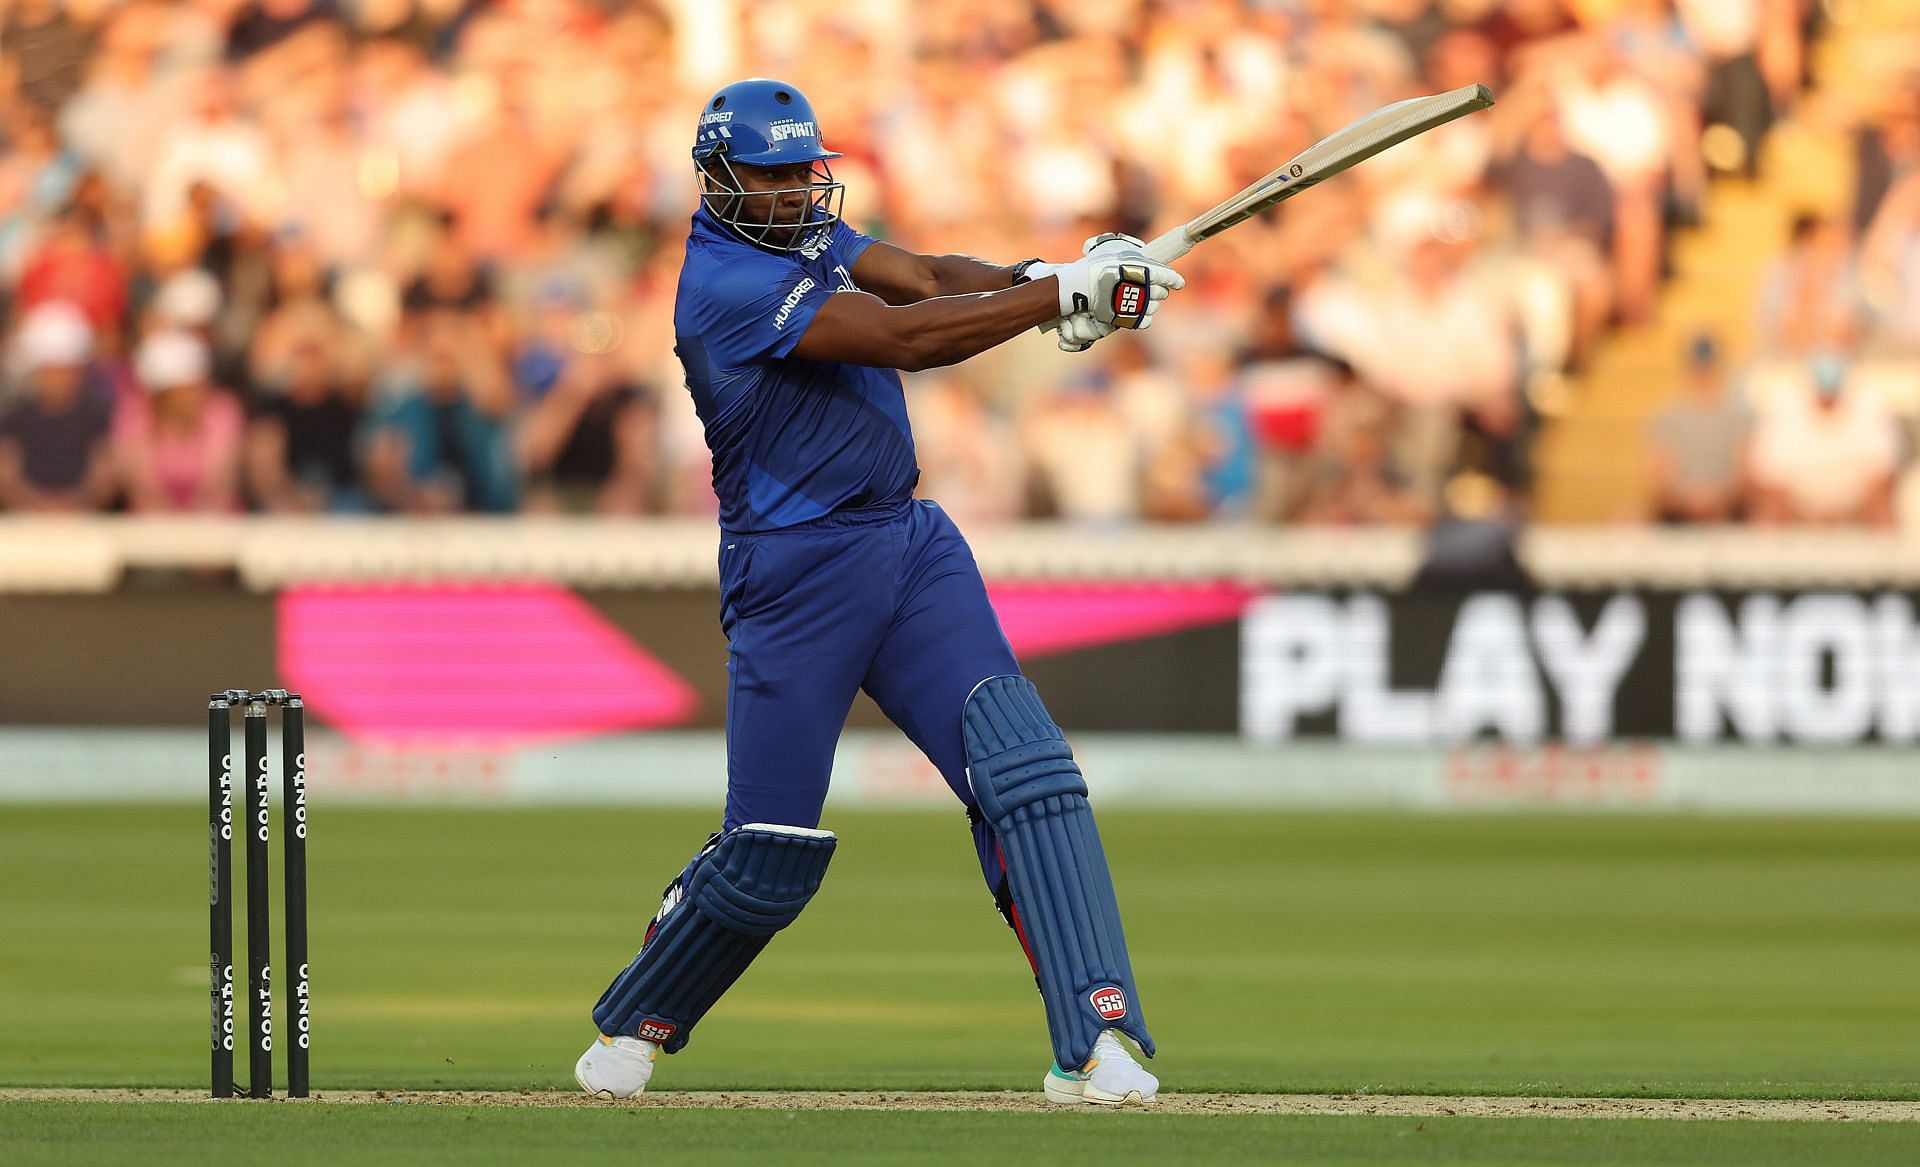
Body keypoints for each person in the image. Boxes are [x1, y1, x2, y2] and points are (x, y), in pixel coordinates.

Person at [573, 79, 1184, 1108]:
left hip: (907, 545)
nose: (791, 190)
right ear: (717, 180)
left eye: (802, 169)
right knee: (768, 856)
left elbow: (932, 279)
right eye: (766, 174)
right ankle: (640, 1011)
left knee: (1028, 777)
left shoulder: (814, 234)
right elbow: (907, 338)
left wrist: (1050, 274)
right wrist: (1062, 298)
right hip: (795, 572)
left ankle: (1099, 1040)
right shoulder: (720, 285)